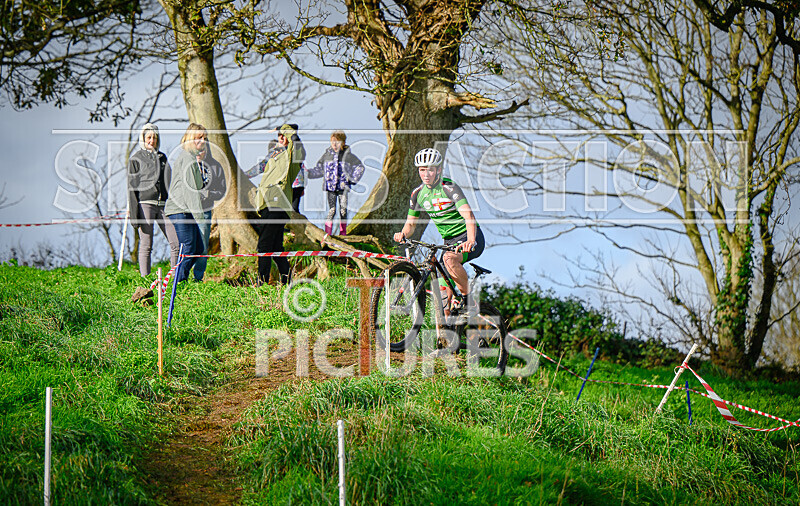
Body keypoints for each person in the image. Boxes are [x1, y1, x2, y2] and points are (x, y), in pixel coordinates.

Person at [393, 148, 484, 317]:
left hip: (469, 236)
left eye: (430, 169)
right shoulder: (418, 194)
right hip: (448, 242)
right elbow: (410, 224)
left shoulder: (449, 188)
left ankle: (468, 300)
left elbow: (468, 215)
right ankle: (448, 337)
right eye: (422, 170)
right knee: (443, 301)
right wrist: (403, 234)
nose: (426, 174)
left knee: (448, 259)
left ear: (438, 170)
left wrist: (470, 241)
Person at [251, 123, 305, 285]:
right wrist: (242, 175)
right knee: (275, 248)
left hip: (277, 204)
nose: (280, 138)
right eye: (279, 136)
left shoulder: (293, 156)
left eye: (283, 136)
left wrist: (286, 130)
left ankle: (261, 283)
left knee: (264, 245)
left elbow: (300, 149)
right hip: (268, 204)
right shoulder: (275, 155)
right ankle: (287, 280)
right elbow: (260, 167)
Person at [126, 123, 180, 277]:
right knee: (147, 244)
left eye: (155, 137)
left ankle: (175, 277)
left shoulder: (163, 157)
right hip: (145, 205)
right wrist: (134, 216)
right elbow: (131, 188)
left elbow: (170, 181)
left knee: (175, 242)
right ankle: (145, 279)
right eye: (149, 137)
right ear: (143, 138)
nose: (152, 140)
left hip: (163, 205)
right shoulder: (136, 159)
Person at [164, 123, 211, 283]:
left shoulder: (192, 158)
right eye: (199, 138)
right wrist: (200, 218)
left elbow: (198, 186)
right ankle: (178, 281)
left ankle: (180, 278)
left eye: (204, 138)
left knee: (198, 248)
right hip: (179, 209)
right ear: (190, 138)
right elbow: (191, 192)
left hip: (186, 210)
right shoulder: (187, 158)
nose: (203, 141)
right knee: (189, 246)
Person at [308, 130, 365, 236]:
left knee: (343, 210)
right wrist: (308, 173)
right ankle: (327, 233)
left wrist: (352, 179)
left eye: (337, 142)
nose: (334, 144)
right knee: (332, 210)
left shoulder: (348, 156)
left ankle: (343, 233)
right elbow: (319, 169)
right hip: (330, 187)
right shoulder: (326, 155)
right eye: (333, 141)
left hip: (343, 188)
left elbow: (360, 167)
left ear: (343, 143)